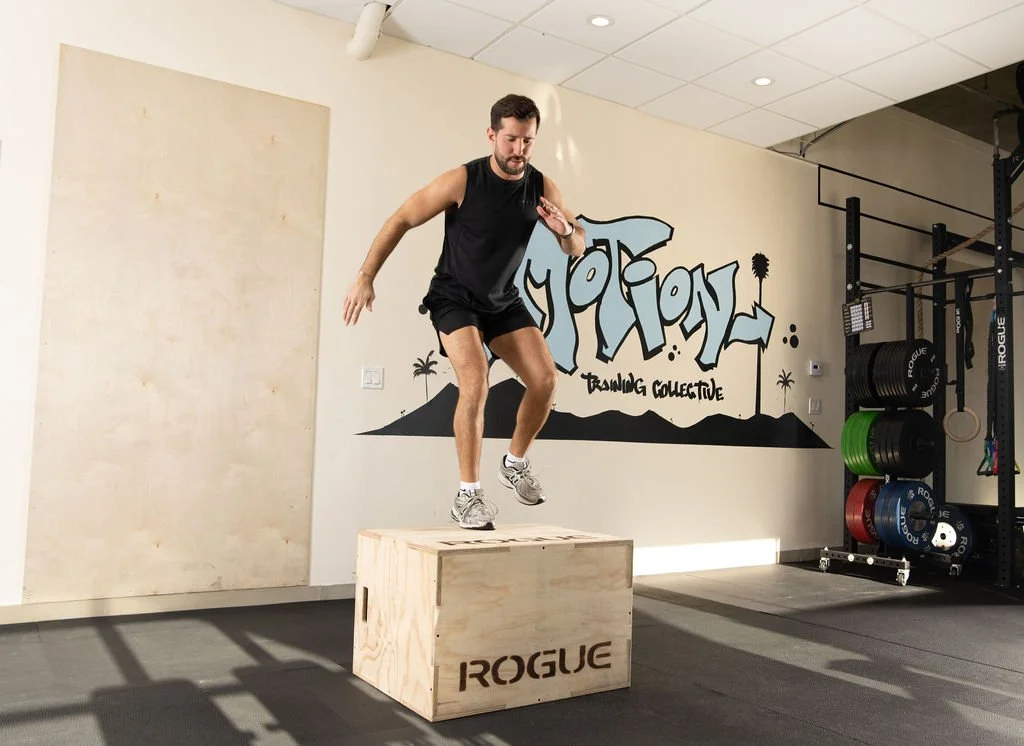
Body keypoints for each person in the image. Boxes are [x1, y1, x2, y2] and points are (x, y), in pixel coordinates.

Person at [343, 93, 586, 531]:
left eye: (528, 141)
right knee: (475, 380)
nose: (519, 151)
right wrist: (366, 275)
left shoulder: (542, 187)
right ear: (492, 134)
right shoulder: (463, 180)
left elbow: (577, 245)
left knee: (546, 380)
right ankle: (467, 496)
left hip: (502, 300)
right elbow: (401, 218)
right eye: (511, 139)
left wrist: (564, 229)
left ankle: (514, 463)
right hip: (454, 297)